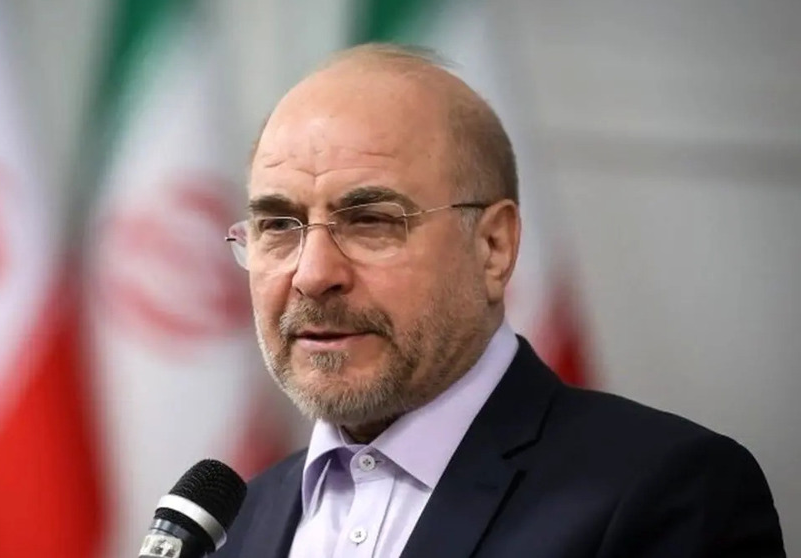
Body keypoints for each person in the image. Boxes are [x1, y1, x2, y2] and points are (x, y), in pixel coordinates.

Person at [214, 43, 785, 558]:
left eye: (372, 222)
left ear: (493, 247)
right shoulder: (230, 526)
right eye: (278, 225)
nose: (313, 274)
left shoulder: (666, 493)